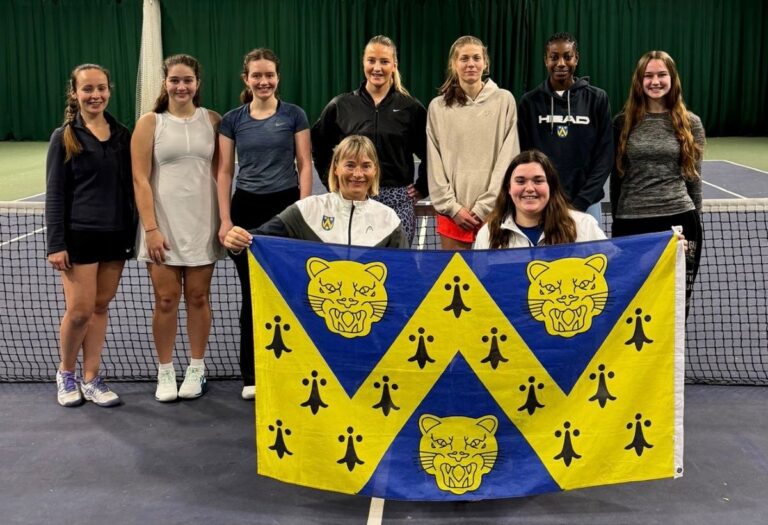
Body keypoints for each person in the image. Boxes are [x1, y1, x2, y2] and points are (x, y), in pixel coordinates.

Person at [216, 48, 312, 400]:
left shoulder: (294, 115)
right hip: (246, 211)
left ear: (277, 77)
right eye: (256, 75)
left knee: (291, 293)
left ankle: (293, 369)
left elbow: (304, 163)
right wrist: (225, 221)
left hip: (285, 210)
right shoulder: (232, 120)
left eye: (269, 74)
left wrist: (302, 212)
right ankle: (252, 374)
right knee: (252, 294)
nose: (263, 81)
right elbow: (224, 172)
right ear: (246, 79)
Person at [132, 54, 223, 402]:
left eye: (187, 80)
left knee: (199, 297)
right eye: (174, 80)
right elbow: (140, 180)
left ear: (197, 83)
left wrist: (223, 221)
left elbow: (221, 175)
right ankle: (166, 371)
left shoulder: (213, 121)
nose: (181, 86)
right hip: (162, 227)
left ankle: (196, 368)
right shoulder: (150, 123)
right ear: (165, 83)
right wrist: (151, 229)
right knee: (166, 299)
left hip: (202, 224)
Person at [45, 64, 134, 407]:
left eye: (101, 88)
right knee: (80, 310)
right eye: (87, 89)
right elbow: (55, 194)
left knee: (100, 307)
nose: (95, 95)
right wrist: (56, 244)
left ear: (109, 90)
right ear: (75, 93)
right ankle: (66, 373)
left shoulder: (123, 135)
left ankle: (92, 377)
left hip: (116, 236)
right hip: (79, 236)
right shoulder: (63, 136)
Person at [611, 50, 704, 316]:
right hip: (631, 224)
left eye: (662, 74)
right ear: (639, 81)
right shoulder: (622, 123)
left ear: (672, 79)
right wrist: (618, 221)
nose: (655, 81)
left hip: (678, 222)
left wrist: (696, 223)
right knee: (631, 304)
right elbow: (617, 178)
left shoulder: (691, 123)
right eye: (648, 75)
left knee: (675, 305)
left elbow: (694, 179)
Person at [311, 35, 428, 244]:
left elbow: (431, 151)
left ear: (394, 65)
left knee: (396, 261)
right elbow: (319, 146)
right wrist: (333, 182)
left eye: (384, 61)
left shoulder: (411, 108)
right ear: (363, 63)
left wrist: (423, 186)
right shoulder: (341, 105)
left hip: (397, 202)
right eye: (371, 60)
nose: (377, 68)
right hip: (353, 198)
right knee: (354, 260)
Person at [223, 135, 407, 252]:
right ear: (336, 168)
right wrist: (237, 238)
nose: (358, 174)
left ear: (375, 170)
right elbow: (259, 238)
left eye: (366, 166)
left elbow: (405, 273)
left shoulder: (388, 220)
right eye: (350, 165)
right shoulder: (308, 209)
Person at [427, 35, 520, 250]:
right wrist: (453, 208)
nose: (471, 64)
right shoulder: (437, 107)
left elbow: (509, 159)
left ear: (485, 62)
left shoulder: (505, 100)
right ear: (454, 64)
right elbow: (434, 162)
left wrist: (485, 207)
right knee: (456, 273)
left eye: (476, 58)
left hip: (495, 213)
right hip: (453, 218)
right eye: (464, 58)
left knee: (493, 273)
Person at [517, 32, 612, 224]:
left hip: (587, 205)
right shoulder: (529, 102)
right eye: (554, 57)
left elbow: (605, 156)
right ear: (546, 60)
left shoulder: (597, 99)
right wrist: (542, 194)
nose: (561, 63)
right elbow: (525, 156)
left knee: (591, 246)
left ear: (576, 59)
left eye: (567, 57)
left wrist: (581, 202)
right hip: (544, 203)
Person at [474, 150, 605, 249]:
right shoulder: (488, 234)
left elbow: (612, 267)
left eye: (538, 181)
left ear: (551, 186)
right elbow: (479, 277)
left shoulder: (584, 226)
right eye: (520, 181)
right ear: (508, 188)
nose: (529, 188)